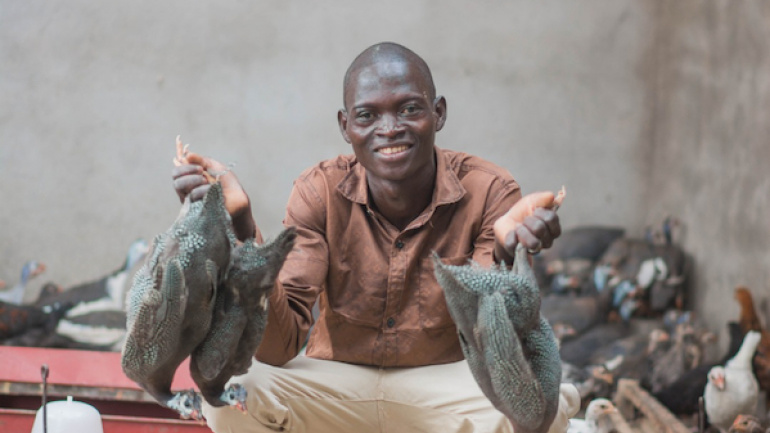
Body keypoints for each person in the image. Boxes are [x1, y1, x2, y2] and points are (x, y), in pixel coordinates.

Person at [172, 42, 580, 433]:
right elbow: (278, 347)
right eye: (367, 116)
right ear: (345, 126)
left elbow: (491, 345)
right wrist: (241, 225)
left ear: (438, 113)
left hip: (445, 388)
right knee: (230, 394)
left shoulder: (489, 190)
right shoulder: (320, 191)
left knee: (541, 408)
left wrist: (507, 255)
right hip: (336, 385)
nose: (390, 129)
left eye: (409, 109)